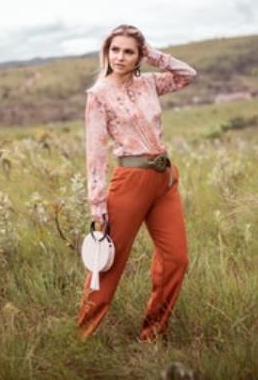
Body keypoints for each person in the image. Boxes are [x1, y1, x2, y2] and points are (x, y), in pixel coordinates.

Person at [77, 24, 197, 342]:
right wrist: (96, 202)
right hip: (130, 181)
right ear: (107, 52)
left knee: (176, 259)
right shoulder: (98, 95)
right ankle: (82, 335)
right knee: (108, 263)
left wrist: (154, 55)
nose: (120, 57)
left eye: (129, 51)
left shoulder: (149, 84)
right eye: (115, 49)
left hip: (164, 179)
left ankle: (152, 334)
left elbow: (188, 74)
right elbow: (95, 151)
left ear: (139, 55)